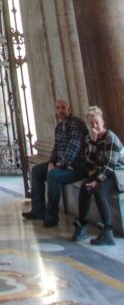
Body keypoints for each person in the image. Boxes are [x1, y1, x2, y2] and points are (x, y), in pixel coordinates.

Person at [22, 99, 87, 227]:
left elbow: (74, 147)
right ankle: (38, 210)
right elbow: (57, 147)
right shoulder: (59, 127)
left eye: (63, 108)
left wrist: (59, 165)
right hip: (61, 165)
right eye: (57, 108)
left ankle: (52, 216)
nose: (60, 111)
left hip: (76, 167)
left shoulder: (76, 124)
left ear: (69, 109)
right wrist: (51, 162)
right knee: (36, 171)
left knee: (53, 175)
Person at [71, 105, 123, 246]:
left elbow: (110, 166)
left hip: (117, 174)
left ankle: (107, 232)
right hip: (102, 173)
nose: (94, 126)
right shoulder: (90, 139)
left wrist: (97, 182)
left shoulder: (110, 138)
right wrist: (93, 143)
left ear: (103, 122)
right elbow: (89, 163)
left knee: (98, 191)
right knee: (85, 188)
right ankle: (82, 225)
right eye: (91, 123)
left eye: (97, 122)